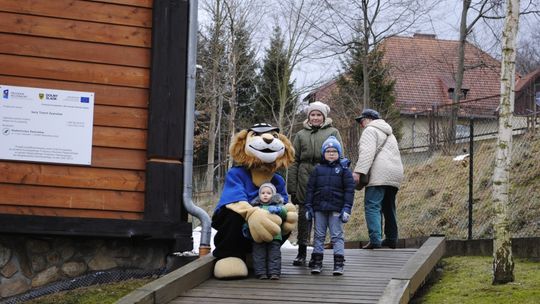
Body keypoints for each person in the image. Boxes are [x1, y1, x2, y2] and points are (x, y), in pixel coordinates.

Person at [287, 101, 344, 266]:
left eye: (319, 115)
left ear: (324, 116)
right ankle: (301, 252)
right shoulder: (300, 135)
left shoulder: (333, 132)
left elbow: (339, 158)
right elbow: (294, 161)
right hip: (304, 180)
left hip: (325, 180)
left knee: (322, 217)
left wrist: (338, 182)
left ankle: (317, 253)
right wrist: (292, 187)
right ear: (308, 116)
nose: (316, 117)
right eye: (313, 114)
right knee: (304, 216)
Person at [352, 109, 404, 249]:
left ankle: (375, 240)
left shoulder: (370, 130)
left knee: (372, 206)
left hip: (379, 173)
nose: (361, 124)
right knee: (389, 206)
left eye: (362, 120)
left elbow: (366, 154)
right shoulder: (389, 133)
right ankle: (392, 238)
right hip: (395, 173)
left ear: (369, 119)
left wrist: (358, 172)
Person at [304, 136, 355, 275]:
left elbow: (349, 191)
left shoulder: (344, 170)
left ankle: (338, 264)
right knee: (319, 235)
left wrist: (346, 208)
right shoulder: (317, 170)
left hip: (336, 209)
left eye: (334, 151)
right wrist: (308, 206)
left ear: (339, 153)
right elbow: (310, 189)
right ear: (323, 153)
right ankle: (317, 262)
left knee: (337, 236)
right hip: (319, 208)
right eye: (328, 151)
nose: (331, 153)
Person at [243, 182, 289, 280]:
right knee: (259, 255)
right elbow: (249, 219)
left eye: (268, 193)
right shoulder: (255, 207)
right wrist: (246, 228)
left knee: (274, 255)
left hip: (275, 236)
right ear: (259, 195)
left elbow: (285, 214)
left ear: (273, 195)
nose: (265, 195)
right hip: (259, 236)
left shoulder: (278, 206)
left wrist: (278, 210)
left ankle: (274, 272)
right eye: (263, 193)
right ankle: (261, 272)